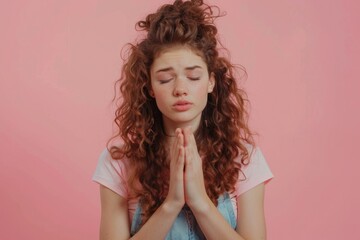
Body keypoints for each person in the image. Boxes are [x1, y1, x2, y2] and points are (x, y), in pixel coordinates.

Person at [92, 0, 273, 239]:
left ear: (211, 81)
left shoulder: (244, 159)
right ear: (149, 87)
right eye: (165, 79)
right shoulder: (119, 162)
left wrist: (200, 202)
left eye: (193, 77)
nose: (180, 89)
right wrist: (172, 203)